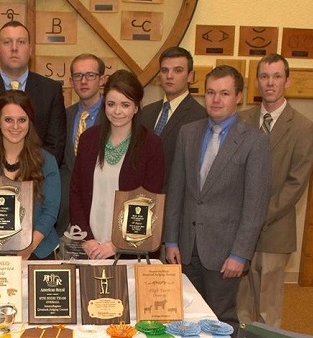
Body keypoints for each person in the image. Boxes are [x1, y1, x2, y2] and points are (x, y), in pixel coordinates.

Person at [164, 65, 271, 337]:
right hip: (186, 248)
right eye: (210, 92)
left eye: (224, 93)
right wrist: (171, 240)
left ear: (238, 97)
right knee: (185, 317)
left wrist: (240, 254)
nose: (216, 99)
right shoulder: (188, 133)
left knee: (221, 320)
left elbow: (255, 205)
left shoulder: (254, 141)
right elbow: (176, 190)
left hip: (225, 253)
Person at [236, 54, 313, 328]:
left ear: (288, 81)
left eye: (277, 76)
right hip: (238, 229)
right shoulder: (241, 120)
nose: (270, 83)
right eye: (264, 76)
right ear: (256, 82)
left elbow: (296, 183)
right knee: (241, 301)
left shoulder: (303, 127)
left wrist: (258, 216)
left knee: (268, 305)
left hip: (275, 227)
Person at [69, 70, 165, 260]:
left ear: (136, 107)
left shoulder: (151, 144)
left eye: (125, 105)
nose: (117, 111)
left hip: (131, 250)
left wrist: (116, 245)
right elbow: (76, 192)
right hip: (90, 247)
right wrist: (86, 239)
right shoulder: (89, 139)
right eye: (111, 104)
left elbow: (149, 203)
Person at [0, 90, 60, 259]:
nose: (15, 127)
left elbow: (51, 211)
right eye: (8, 120)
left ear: (30, 123)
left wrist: (28, 247)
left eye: (22, 120)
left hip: (38, 252)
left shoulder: (47, 161)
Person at [0, 20, 66, 166]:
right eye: (7, 42)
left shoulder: (51, 90)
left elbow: (55, 145)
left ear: (30, 50)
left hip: (38, 179)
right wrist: (2, 177)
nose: (14, 48)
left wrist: (27, 175)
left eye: (21, 42)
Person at [139, 46, 206, 191]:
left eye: (177, 70)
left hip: (177, 202)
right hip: (143, 197)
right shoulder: (146, 112)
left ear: (190, 76)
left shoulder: (200, 116)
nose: (169, 76)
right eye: (164, 70)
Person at [56, 53, 107, 236]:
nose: (83, 81)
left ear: (102, 79)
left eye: (90, 75)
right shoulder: (63, 116)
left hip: (103, 214)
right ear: (71, 80)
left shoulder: (114, 117)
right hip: (66, 216)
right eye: (78, 76)